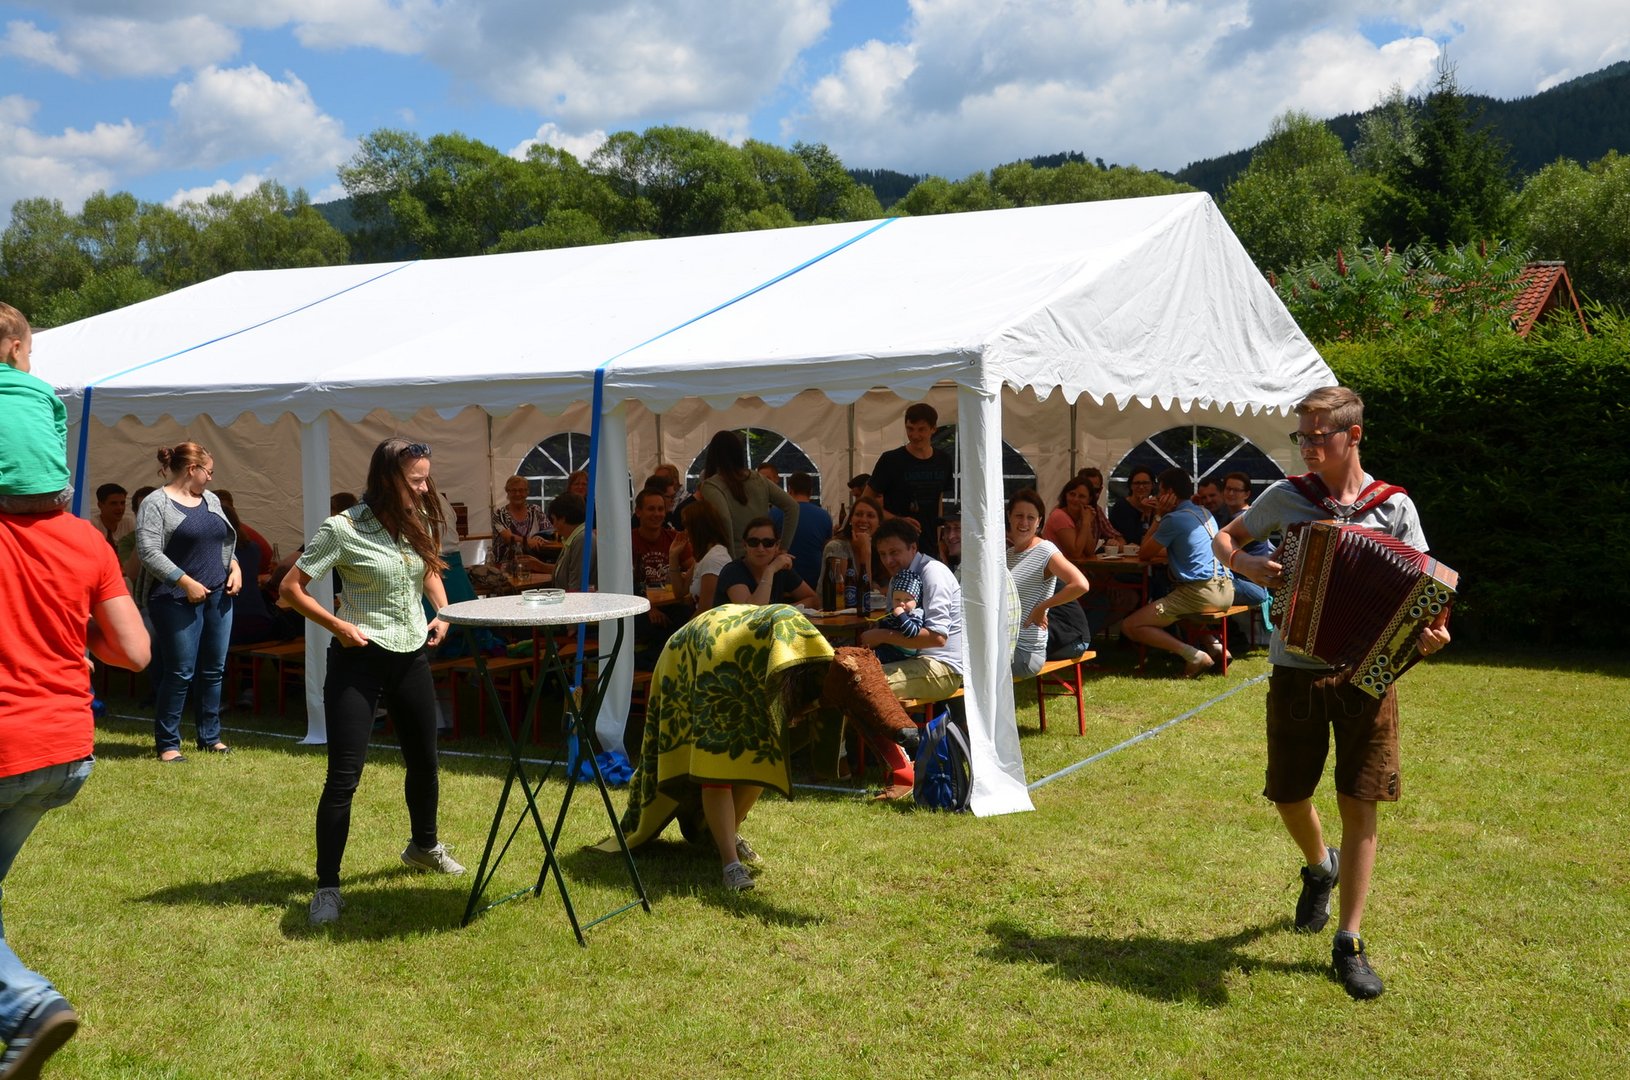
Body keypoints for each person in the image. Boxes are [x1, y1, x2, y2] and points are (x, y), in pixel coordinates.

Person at [1214, 385, 1450, 1001]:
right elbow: (1225, 538)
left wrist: (1429, 636)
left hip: (1369, 672)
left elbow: (1426, 593)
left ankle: (1349, 940)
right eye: (1303, 436)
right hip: (1295, 666)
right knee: (1288, 792)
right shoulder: (1287, 496)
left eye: (1320, 436)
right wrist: (1246, 565)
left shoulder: (1393, 507)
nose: (1309, 446)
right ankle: (1321, 866)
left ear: (1354, 435)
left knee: (1360, 797)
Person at [280, 437, 465, 926]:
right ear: (387, 478)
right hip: (358, 661)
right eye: (416, 480)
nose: (424, 488)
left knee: (425, 763)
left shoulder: (417, 520)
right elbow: (290, 589)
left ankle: (424, 847)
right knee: (344, 777)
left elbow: (428, 570)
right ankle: (327, 887)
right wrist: (337, 625)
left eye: (425, 478)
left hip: (411, 657)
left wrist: (443, 612)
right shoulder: (342, 528)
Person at [1, 472, 150, 1077]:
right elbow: (134, 652)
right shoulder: (87, 539)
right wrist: (68, 631)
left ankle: (26, 1006)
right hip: (62, 749)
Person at [602, 604, 837, 891]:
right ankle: (730, 864)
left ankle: (724, 834)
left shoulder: (792, 648)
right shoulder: (723, 660)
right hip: (693, 656)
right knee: (715, 763)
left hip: (739, 661)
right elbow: (714, 767)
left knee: (763, 757)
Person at [134, 442, 240, 761]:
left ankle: (210, 737)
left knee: (214, 669)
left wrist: (235, 566)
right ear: (192, 469)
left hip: (218, 595)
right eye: (209, 471)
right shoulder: (156, 503)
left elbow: (221, 541)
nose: (211, 478)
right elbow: (148, 552)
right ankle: (168, 744)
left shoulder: (211, 499)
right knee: (180, 672)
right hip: (174, 598)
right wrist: (185, 581)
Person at [858, 518, 965, 800]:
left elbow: (937, 638)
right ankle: (845, 764)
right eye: (883, 554)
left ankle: (905, 769)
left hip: (944, 668)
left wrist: (882, 636)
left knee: (862, 687)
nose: (888, 560)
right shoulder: (900, 577)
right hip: (914, 661)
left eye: (894, 552)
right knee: (849, 674)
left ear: (913, 547)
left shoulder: (933, 573)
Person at [1121, 467, 1233, 677]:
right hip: (1226, 589)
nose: (1157, 496)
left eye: (1160, 491)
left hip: (1199, 593)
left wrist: (1158, 516)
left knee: (1130, 626)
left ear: (1169, 493)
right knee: (1176, 608)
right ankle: (1216, 647)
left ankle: (1194, 656)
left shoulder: (1173, 519)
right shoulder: (1205, 512)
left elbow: (1144, 553)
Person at [1006, 488, 1089, 676]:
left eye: (1031, 517)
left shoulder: (1045, 550)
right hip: (1006, 646)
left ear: (1039, 522)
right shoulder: (1008, 555)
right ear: (1009, 516)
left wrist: (1042, 607)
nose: (1024, 522)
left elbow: (1081, 584)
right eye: (1019, 516)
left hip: (1025, 653)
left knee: (970, 669)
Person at [0, 303, 70, 515]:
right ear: (16, 349)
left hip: (6, 495)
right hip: (56, 492)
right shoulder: (43, 389)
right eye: (29, 354)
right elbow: (59, 437)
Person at [864, 402, 952, 560]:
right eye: (910, 429)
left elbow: (938, 500)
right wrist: (897, 520)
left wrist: (939, 541)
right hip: (895, 547)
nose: (915, 435)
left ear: (933, 429)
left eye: (921, 429)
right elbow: (866, 500)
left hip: (929, 548)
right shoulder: (890, 460)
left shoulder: (943, 460)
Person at [697, 430, 799, 559]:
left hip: (734, 557)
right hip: (763, 555)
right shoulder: (758, 478)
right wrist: (783, 548)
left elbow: (724, 518)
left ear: (712, 454)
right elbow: (792, 506)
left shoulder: (712, 485)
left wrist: (730, 558)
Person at [713, 517, 817, 610]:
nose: (760, 549)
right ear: (745, 545)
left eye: (768, 543)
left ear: (777, 546)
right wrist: (770, 570)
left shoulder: (780, 568)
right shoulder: (732, 571)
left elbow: (814, 600)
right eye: (753, 542)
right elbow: (752, 614)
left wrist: (783, 611)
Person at [818, 494, 884, 608]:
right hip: (836, 614)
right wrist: (866, 552)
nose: (863, 519)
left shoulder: (880, 548)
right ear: (850, 520)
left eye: (870, 516)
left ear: (879, 524)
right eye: (858, 514)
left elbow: (890, 586)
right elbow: (856, 597)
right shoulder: (836, 547)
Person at [669, 500, 732, 613]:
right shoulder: (704, 556)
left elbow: (705, 611)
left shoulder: (713, 558)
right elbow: (680, 592)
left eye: (687, 526)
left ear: (698, 528)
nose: (685, 532)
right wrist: (673, 556)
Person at [774, 471, 833, 589]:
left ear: (789, 490)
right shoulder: (824, 516)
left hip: (783, 578)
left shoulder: (775, 513)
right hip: (814, 579)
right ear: (810, 491)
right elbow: (827, 549)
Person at [490, 474, 552, 569]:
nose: (518, 494)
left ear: (527, 492)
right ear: (507, 492)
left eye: (521, 490)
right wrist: (528, 541)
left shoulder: (535, 510)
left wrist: (540, 536)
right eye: (513, 490)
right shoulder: (499, 514)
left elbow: (549, 531)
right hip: (505, 566)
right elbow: (508, 537)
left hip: (535, 565)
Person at [1042, 476, 1100, 562]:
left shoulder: (1082, 516)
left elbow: (1090, 551)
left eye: (1081, 496)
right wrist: (1085, 523)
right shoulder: (1059, 516)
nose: (1075, 499)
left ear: (1089, 499)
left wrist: (1085, 522)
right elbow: (1075, 553)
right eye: (1072, 494)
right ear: (1066, 495)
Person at [549, 491, 594, 591]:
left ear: (562, 519)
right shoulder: (575, 538)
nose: (553, 525)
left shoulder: (581, 540)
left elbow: (576, 588)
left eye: (553, 519)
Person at [1109, 466, 1158, 545]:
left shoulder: (1156, 507)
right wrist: (1145, 514)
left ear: (1152, 485)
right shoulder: (1122, 507)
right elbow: (1134, 540)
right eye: (1137, 483)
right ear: (1131, 486)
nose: (1141, 487)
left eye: (1145, 483)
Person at [93, 482, 132, 548]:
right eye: (113, 503)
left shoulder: (128, 523)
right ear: (100, 505)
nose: (120, 508)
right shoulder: (92, 526)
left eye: (122, 503)